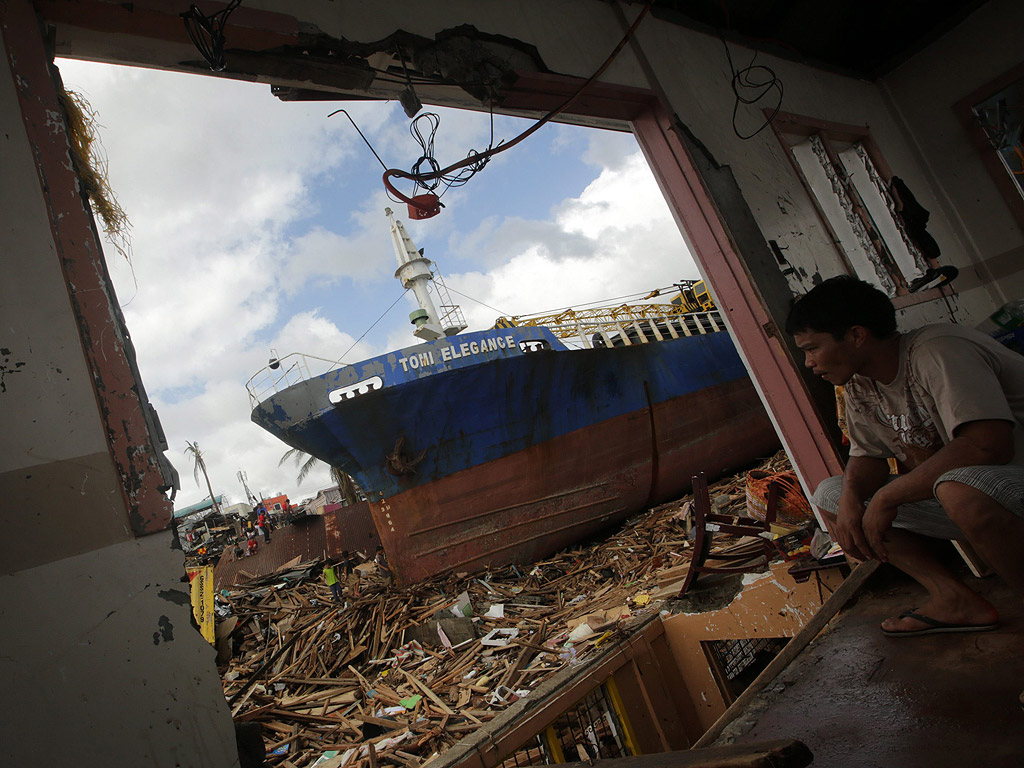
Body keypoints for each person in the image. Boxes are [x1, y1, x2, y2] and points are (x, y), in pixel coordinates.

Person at [786, 276, 1024, 658]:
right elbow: (867, 457)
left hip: (1003, 485)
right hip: (979, 497)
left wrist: (886, 498)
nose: (809, 363)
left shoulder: (937, 350)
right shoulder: (862, 384)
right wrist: (851, 500)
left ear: (857, 336)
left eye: (813, 348)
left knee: (959, 488)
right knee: (832, 493)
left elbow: (987, 444)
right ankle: (955, 600)